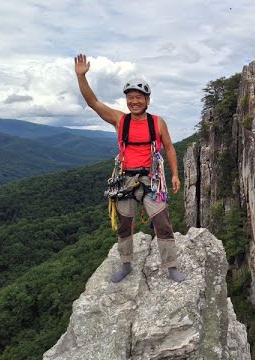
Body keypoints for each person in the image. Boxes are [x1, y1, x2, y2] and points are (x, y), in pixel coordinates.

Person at [74, 53, 187, 283]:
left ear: (147, 100)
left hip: (152, 180)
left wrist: (174, 174)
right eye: (130, 98)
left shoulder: (157, 122)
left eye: (139, 97)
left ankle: (171, 266)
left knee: (163, 223)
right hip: (126, 179)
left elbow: (169, 148)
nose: (134, 101)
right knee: (124, 224)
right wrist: (81, 77)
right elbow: (93, 103)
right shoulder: (120, 120)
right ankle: (126, 264)